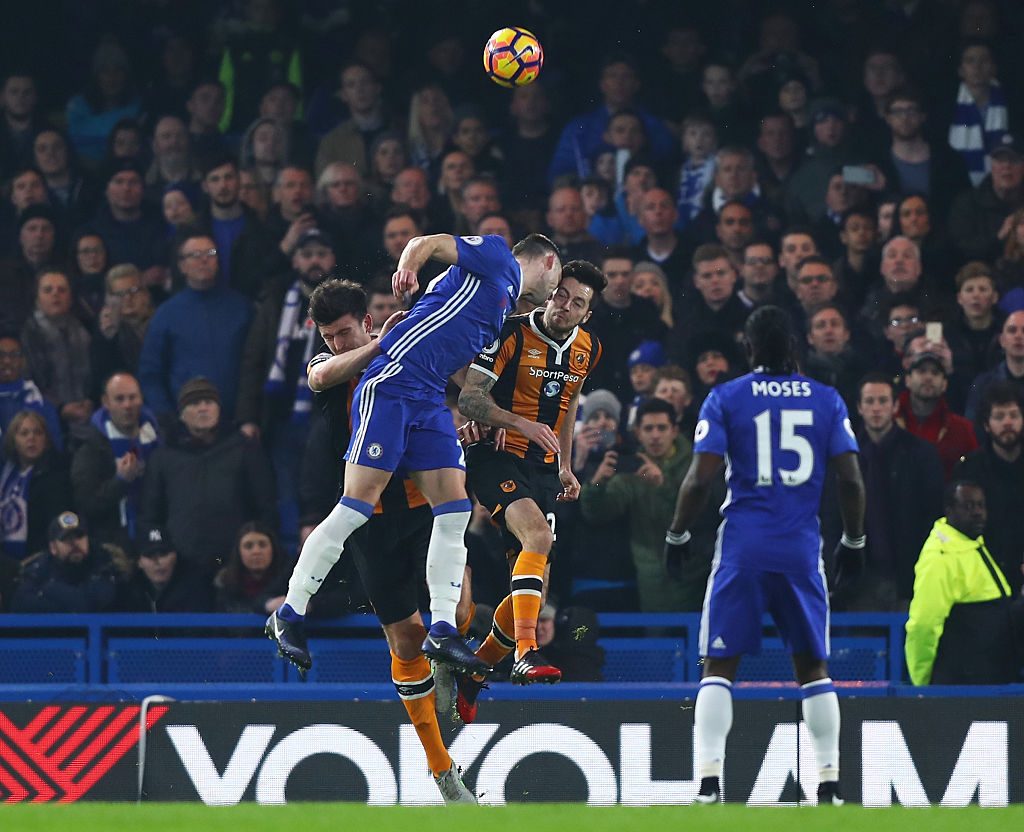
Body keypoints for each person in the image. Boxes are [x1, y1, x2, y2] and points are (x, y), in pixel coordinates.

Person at [266, 232, 562, 678]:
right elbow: (432, 241)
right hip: (393, 384)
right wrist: (408, 265)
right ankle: (288, 613)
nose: (553, 295)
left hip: (426, 396)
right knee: (354, 507)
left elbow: (461, 367)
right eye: (556, 281)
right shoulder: (498, 255)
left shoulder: (500, 302)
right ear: (548, 262)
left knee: (455, 507)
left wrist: (502, 420)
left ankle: (442, 628)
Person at [272, 277, 477, 803]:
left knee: (461, 609)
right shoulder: (334, 366)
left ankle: (449, 653)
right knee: (404, 641)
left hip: (421, 506)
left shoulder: (409, 346)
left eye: (345, 332)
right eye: (329, 336)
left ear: (365, 318)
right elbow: (324, 375)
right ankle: (442, 772)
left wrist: (478, 415)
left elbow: (463, 381)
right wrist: (378, 345)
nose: (337, 343)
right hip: (372, 524)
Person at [664, 304, 865, 805]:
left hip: (744, 547)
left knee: (719, 664)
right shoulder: (827, 400)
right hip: (800, 547)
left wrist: (678, 534)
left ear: (748, 348)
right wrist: (854, 541)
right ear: (795, 347)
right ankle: (829, 784)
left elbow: (699, 479)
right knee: (813, 667)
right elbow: (851, 479)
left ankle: (709, 783)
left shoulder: (727, 398)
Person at [456, 260, 606, 695]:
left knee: (531, 590)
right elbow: (469, 399)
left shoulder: (590, 348)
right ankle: (524, 653)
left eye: (578, 303)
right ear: (551, 290)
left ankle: (476, 671)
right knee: (537, 539)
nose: (566, 306)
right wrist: (519, 423)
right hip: (495, 456)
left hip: (543, 467)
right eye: (562, 294)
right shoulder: (510, 332)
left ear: (587, 314)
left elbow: (571, 400)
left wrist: (565, 465)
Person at [823, 373, 944, 611]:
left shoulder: (921, 455)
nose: (876, 408)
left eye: (883, 401)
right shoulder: (840, 458)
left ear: (895, 406)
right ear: (859, 407)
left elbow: (932, 515)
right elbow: (831, 518)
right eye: (869, 401)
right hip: (857, 581)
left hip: (909, 574)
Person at [140, 377, 277, 578]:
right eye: (195, 403)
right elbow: (150, 514)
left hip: (235, 567)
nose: (203, 408)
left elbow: (265, 505)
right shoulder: (164, 456)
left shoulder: (245, 449)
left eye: (209, 402)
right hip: (181, 568)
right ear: (182, 414)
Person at [582, 397, 695, 612]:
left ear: (674, 430)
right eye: (648, 428)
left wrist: (663, 485)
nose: (655, 435)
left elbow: (704, 513)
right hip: (650, 577)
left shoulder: (695, 465)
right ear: (637, 433)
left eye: (661, 428)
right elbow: (597, 514)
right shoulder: (632, 469)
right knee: (656, 640)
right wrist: (597, 484)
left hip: (694, 572)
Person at [905, 481, 1021, 685]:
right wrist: (922, 683)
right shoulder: (941, 557)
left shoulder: (970, 543)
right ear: (949, 510)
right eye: (968, 506)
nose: (977, 512)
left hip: (991, 677)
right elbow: (924, 624)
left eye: (980, 505)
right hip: (963, 687)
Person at [137, 230, 253, 423]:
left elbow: (255, 367)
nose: (204, 260)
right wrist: (167, 418)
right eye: (195, 255)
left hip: (237, 423)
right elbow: (150, 373)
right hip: (183, 425)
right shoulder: (166, 314)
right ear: (182, 266)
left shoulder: (242, 308)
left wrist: (249, 418)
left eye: (210, 254)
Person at [70, 372, 160, 547]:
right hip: (114, 542)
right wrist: (121, 481)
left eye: (132, 397)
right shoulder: (91, 450)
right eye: (119, 399)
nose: (127, 405)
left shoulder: (160, 438)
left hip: (157, 536)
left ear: (141, 398)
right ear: (106, 402)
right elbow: (86, 503)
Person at [953, 382, 1024, 596]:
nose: (1008, 423)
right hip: (983, 578)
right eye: (999, 417)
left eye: (1013, 415)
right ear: (986, 424)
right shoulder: (969, 469)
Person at [10, 510, 123, 612]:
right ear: (53, 547)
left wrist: (49, 589)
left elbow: (90, 603)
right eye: (66, 539)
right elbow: (20, 604)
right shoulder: (39, 568)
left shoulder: (104, 561)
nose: (75, 543)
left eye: (79, 536)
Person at [895, 351, 978, 479]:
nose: (928, 377)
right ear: (908, 380)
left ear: (944, 384)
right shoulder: (890, 424)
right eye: (921, 371)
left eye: (935, 373)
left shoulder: (962, 429)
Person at [0, 410, 71, 560]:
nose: (31, 438)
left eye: (38, 433)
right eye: (24, 433)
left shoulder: (57, 476)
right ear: (13, 440)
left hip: (40, 558)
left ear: (46, 439)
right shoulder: (5, 474)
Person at [115, 524, 213, 612]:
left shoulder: (196, 591)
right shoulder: (129, 594)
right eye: (149, 555)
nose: (158, 562)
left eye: (163, 554)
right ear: (139, 562)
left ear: (175, 556)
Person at [214, 521, 291, 613]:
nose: (256, 551)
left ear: (273, 549)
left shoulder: (291, 581)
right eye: (248, 546)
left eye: (262, 545)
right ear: (239, 552)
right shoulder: (225, 585)